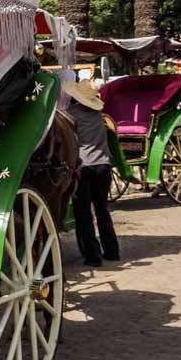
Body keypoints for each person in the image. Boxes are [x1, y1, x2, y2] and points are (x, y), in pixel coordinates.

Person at [62, 78, 120, 268]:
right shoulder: (97, 114)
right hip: (103, 166)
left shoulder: (71, 114)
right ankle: (112, 251)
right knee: (102, 210)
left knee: (84, 214)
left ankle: (93, 256)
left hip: (84, 168)